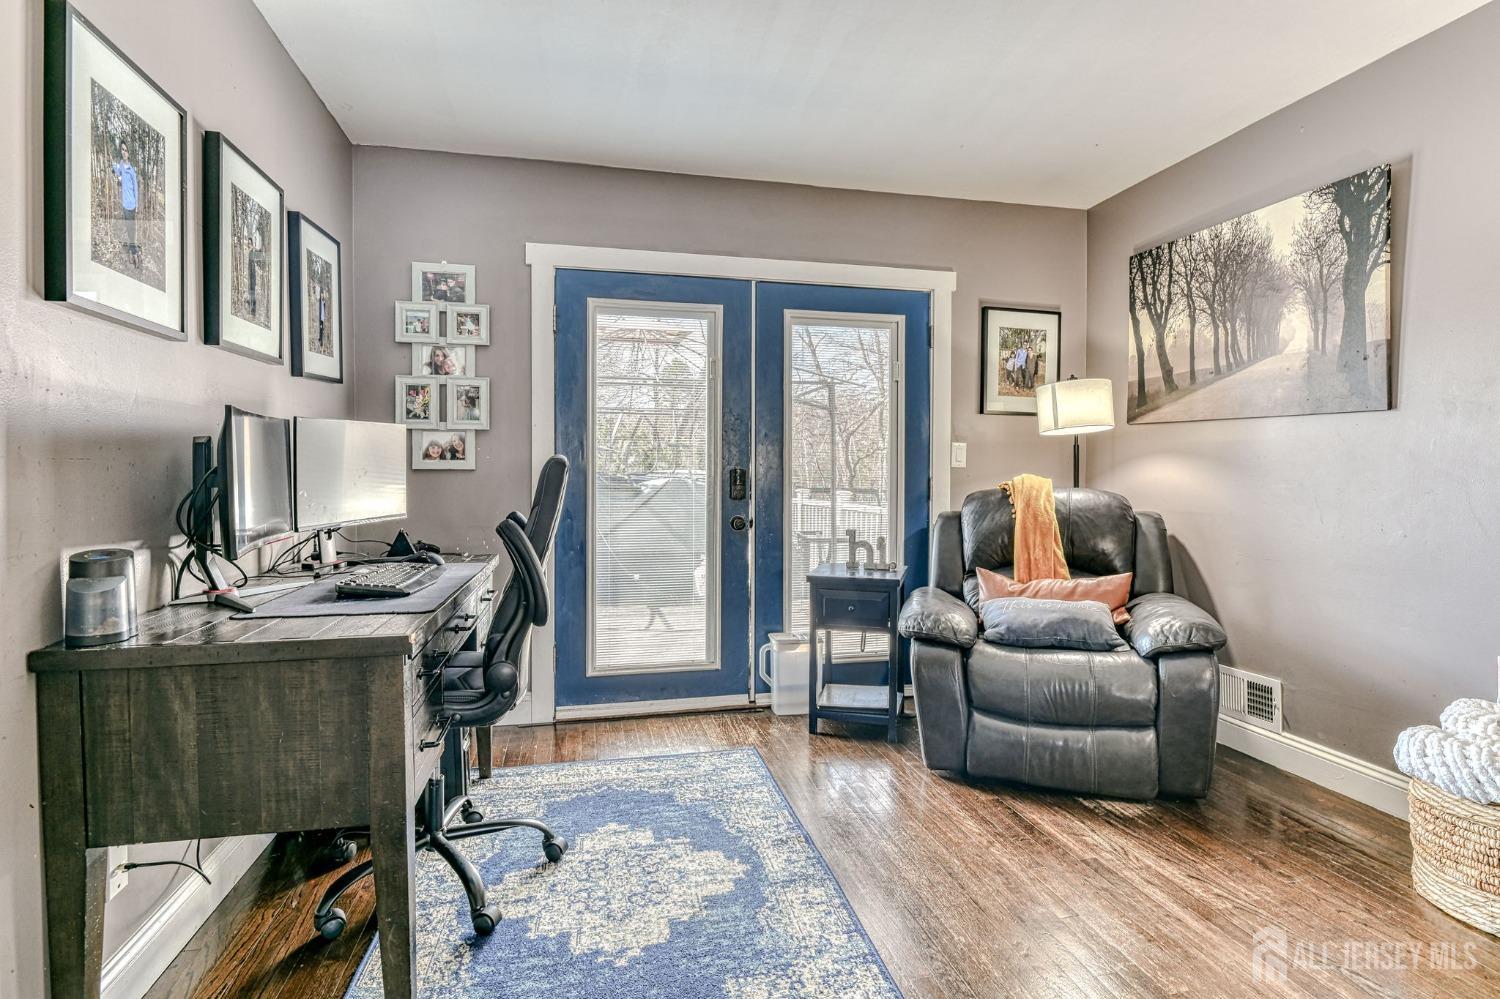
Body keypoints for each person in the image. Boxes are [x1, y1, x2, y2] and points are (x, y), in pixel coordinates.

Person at [110, 141, 140, 270]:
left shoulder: (132, 170)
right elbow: (117, 173)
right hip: (124, 203)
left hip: (131, 204)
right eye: (122, 149)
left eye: (126, 150)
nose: (124, 152)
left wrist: (137, 204)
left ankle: (133, 253)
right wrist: (112, 164)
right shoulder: (121, 164)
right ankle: (134, 252)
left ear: (129, 153)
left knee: (131, 228)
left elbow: (136, 188)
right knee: (129, 229)